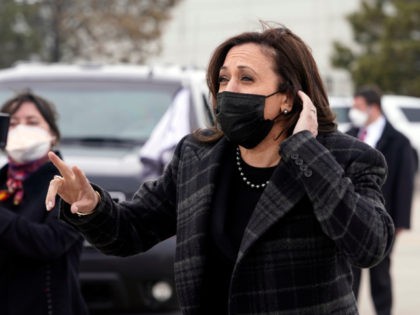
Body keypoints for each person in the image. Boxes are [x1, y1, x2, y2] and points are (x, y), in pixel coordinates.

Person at [45, 23, 395, 315]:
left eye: (246, 79)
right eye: (224, 79)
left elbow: (369, 246)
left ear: (288, 98)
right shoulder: (198, 155)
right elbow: (131, 231)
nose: (229, 91)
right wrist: (90, 205)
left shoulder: (346, 158)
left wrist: (305, 151)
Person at [0, 92, 88, 315]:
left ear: (52, 135)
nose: (21, 130)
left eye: (32, 122)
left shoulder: (68, 185)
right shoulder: (3, 183)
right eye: (12, 124)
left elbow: (50, 243)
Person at [347, 86, 416, 315]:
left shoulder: (398, 141)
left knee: (380, 274)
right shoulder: (349, 135)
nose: (354, 112)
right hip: (351, 217)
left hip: (383, 219)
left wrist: (401, 221)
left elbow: (404, 185)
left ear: (373, 107)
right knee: (350, 273)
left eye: (358, 107)